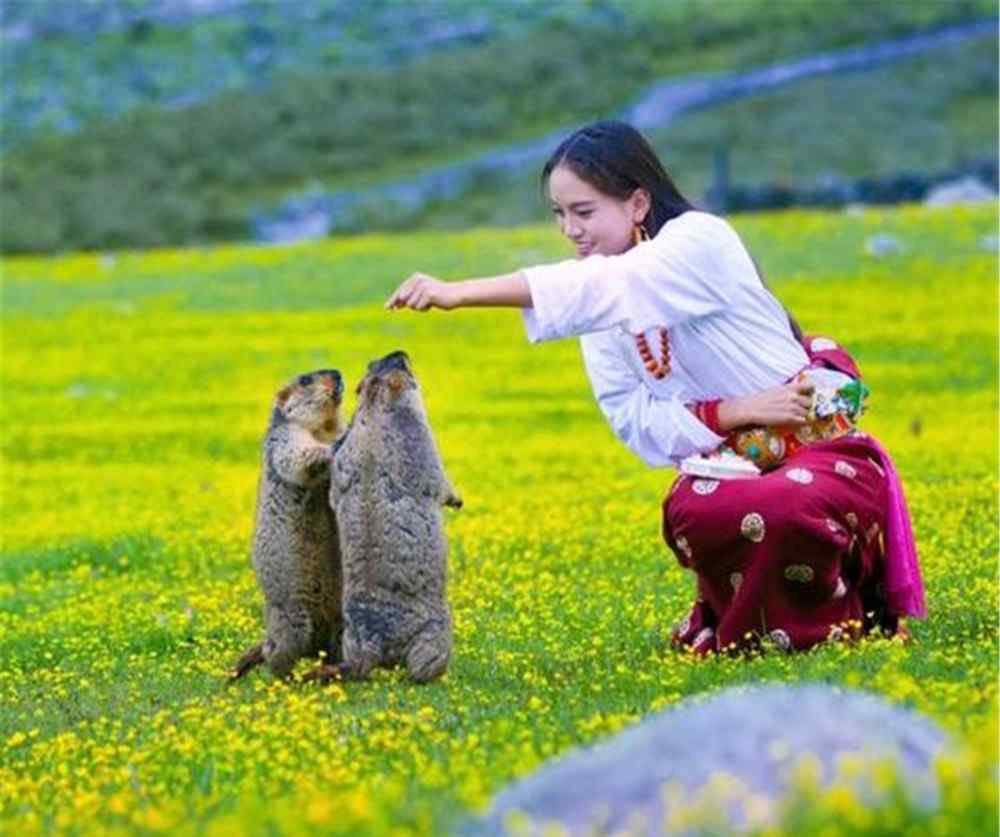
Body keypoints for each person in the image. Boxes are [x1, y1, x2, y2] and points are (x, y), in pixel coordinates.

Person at [385, 120, 926, 655]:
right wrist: (733, 412)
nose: (570, 230)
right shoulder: (600, 303)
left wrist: (459, 292)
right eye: (559, 214)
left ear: (638, 204)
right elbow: (631, 415)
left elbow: (610, 285)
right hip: (725, 456)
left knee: (788, 500)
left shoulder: (699, 241)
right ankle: (751, 629)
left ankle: (837, 620)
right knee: (698, 509)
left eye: (584, 212)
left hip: (816, 444)